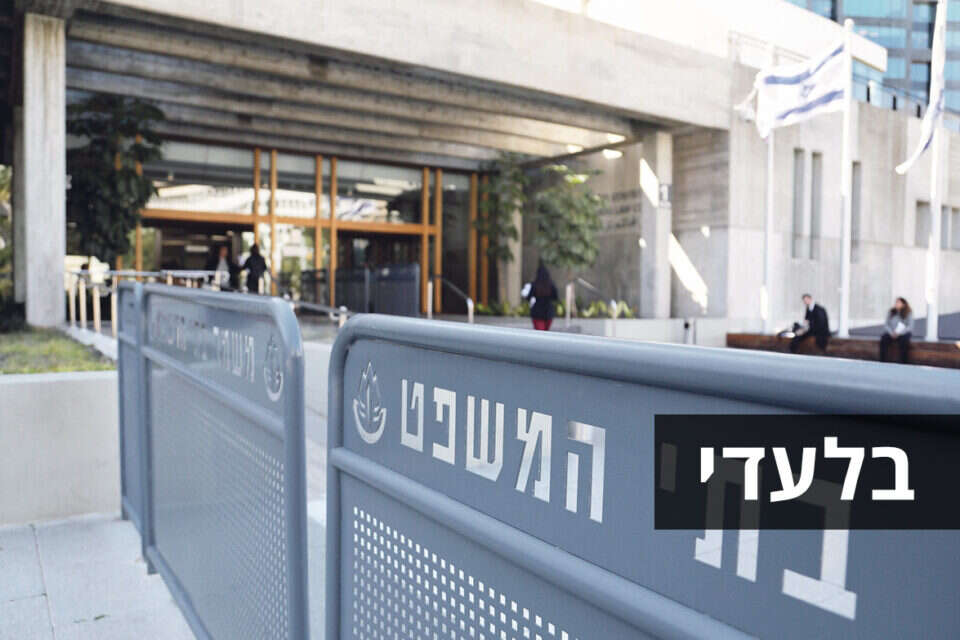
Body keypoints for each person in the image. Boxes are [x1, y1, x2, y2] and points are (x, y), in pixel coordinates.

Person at [522, 262, 558, 331]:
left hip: (537, 312)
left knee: (540, 333)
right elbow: (555, 297)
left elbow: (529, 297)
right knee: (545, 333)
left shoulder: (535, 285)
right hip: (548, 312)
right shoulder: (551, 285)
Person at [879, 297, 914, 364]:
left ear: (903, 304)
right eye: (896, 302)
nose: (896, 304)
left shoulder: (908, 312)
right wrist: (891, 333)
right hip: (892, 333)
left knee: (904, 341)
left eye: (898, 302)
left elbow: (910, 326)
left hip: (903, 333)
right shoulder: (891, 312)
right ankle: (883, 361)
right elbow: (886, 324)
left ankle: (903, 362)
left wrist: (899, 333)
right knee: (884, 338)